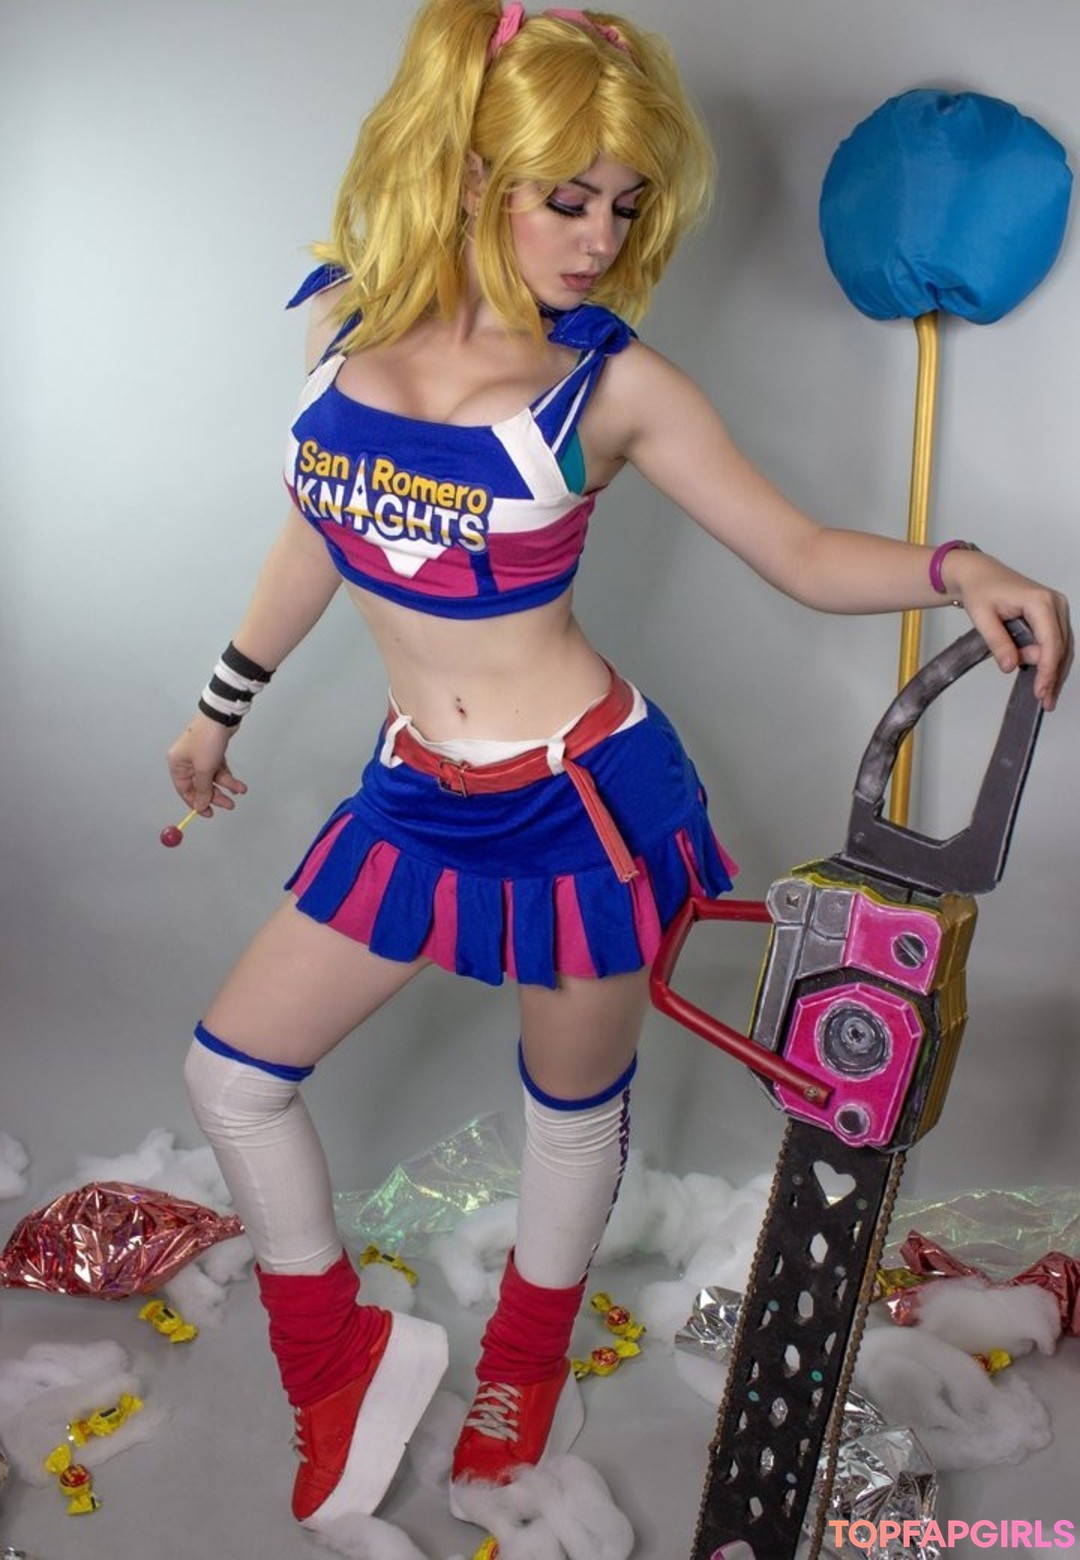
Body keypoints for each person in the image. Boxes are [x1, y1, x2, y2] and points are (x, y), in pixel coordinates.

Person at [168, 0, 1073, 1540]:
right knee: (232, 1074)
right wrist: (220, 707)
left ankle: (523, 1362)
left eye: (627, 206)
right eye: (567, 198)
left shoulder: (612, 388)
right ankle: (333, 1352)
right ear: (470, 174)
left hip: (580, 808)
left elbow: (797, 552)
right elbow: (319, 528)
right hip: (411, 793)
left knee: (569, 1108)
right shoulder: (339, 325)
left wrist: (958, 565)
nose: (600, 240)